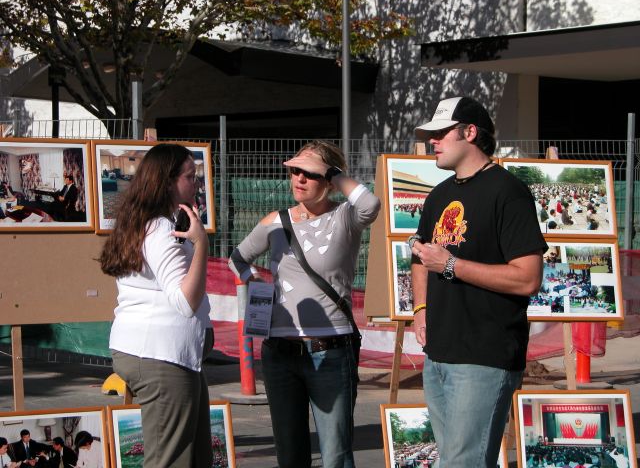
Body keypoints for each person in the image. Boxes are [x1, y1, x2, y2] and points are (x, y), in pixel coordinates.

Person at [409, 97, 547, 467]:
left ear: (470, 132)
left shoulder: (509, 192)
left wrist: (452, 265)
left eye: (442, 133)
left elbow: (528, 278)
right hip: (439, 353)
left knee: (463, 462)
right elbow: (420, 258)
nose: (433, 141)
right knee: (454, 460)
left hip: (485, 354)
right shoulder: (439, 195)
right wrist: (420, 310)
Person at [228, 140, 380, 468]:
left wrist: (333, 172)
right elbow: (237, 258)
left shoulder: (344, 216)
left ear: (329, 180)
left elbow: (370, 204)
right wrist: (253, 279)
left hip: (331, 349)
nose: (299, 178)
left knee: (336, 455)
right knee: (290, 455)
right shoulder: (275, 221)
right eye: (295, 170)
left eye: (310, 173)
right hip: (279, 353)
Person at [100, 143, 213, 467]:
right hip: (161, 356)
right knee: (170, 458)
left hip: (163, 354)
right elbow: (185, 301)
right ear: (167, 182)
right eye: (190, 176)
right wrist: (201, 244)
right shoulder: (161, 229)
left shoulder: (145, 222)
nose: (197, 183)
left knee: (194, 455)